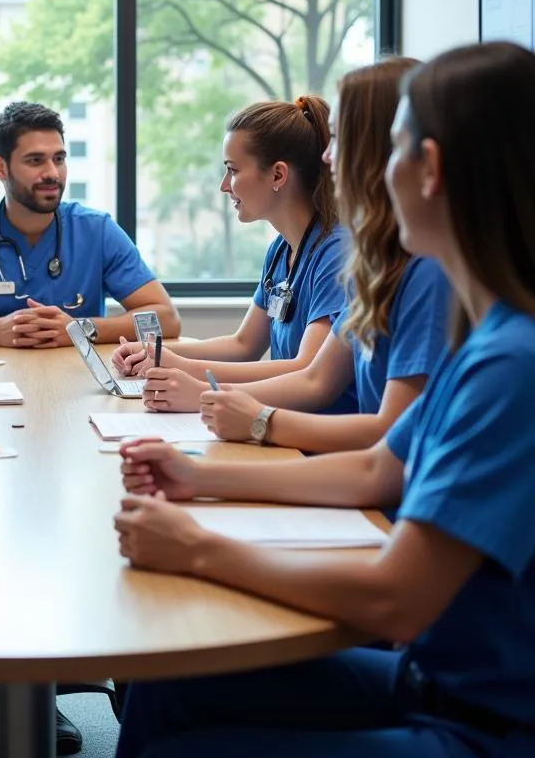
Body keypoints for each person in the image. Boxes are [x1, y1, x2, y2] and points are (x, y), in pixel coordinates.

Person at [113, 41, 535, 757]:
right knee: (166, 683)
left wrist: (201, 549)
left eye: (367, 144)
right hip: (427, 676)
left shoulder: (510, 363)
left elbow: (394, 597)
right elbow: (379, 469)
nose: (332, 162)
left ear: (428, 170)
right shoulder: (488, 334)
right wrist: (201, 475)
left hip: (479, 725)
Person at [165, 59, 451, 453]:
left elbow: (375, 441)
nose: (327, 158)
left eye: (338, 141)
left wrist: (240, 411)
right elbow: (279, 359)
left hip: (332, 460)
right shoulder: (367, 262)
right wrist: (169, 361)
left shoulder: (371, 259)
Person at [112, 94, 356, 414]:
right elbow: (244, 345)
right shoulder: (281, 251)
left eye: (233, 170)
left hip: (319, 437)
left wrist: (192, 377)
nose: (224, 186)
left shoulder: (336, 253)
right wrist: (157, 354)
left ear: (278, 175)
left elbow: (307, 367)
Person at [0, 101, 180, 349]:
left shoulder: (97, 231)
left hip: (80, 387)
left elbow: (166, 319)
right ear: (0, 168)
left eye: (59, 159)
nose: (52, 173)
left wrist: (80, 330)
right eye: (35, 161)